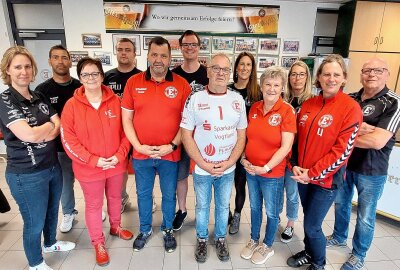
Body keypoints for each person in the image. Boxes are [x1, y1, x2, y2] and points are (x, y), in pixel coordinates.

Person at [0, 46, 75, 270]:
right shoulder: (5, 101)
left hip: (51, 166)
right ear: (8, 70)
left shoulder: (39, 95)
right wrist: (46, 128)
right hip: (26, 174)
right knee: (34, 222)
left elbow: (57, 124)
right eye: (18, 67)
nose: (23, 71)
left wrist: (43, 129)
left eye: (27, 66)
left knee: (53, 211)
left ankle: (50, 243)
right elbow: (28, 135)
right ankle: (35, 262)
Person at [286, 54, 363, 270]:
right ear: (318, 77)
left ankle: (318, 264)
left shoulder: (350, 108)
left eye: (336, 74)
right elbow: (296, 140)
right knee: (308, 220)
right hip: (303, 176)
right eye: (326, 74)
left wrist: (313, 173)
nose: (331, 78)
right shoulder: (308, 104)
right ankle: (310, 253)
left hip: (326, 181)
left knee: (312, 226)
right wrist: (294, 165)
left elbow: (342, 152)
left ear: (344, 78)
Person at [326, 58, 400, 270]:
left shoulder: (393, 102)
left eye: (378, 70)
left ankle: (358, 254)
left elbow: (377, 141)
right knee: (341, 204)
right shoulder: (350, 99)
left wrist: (345, 135)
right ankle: (339, 236)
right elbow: (333, 129)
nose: (371, 74)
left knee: (366, 215)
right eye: (367, 70)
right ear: (360, 75)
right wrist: (361, 129)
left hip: (372, 170)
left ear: (387, 73)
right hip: (345, 166)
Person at [61, 57, 133, 266]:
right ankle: (98, 242)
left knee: (114, 198)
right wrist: (94, 160)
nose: (91, 78)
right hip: (88, 168)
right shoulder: (71, 106)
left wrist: (119, 156)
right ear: (80, 77)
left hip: (115, 164)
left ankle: (116, 227)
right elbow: (68, 140)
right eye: (85, 74)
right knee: (93, 205)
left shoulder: (116, 101)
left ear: (102, 76)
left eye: (95, 74)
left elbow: (126, 132)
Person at [121, 36, 191, 253]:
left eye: (163, 55)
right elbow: (127, 119)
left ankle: (168, 229)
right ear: (148, 56)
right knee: (143, 194)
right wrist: (137, 146)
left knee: (169, 194)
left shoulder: (182, 84)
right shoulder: (133, 82)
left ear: (170, 58)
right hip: (142, 154)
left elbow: (187, 123)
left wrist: (172, 145)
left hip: (169, 153)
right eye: (154, 54)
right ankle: (144, 230)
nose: (158, 59)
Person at [181, 53, 247, 263]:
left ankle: (220, 238)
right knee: (201, 206)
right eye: (216, 68)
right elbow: (185, 134)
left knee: (222, 206)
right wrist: (203, 163)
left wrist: (229, 162)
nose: (220, 73)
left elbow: (242, 136)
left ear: (230, 73)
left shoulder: (237, 100)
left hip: (227, 169)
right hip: (202, 168)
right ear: (207, 71)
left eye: (225, 70)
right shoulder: (194, 98)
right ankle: (201, 238)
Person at [240, 66, 296, 265]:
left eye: (276, 85)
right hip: (251, 170)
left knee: (272, 211)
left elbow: (286, 146)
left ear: (282, 88)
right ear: (261, 86)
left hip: (272, 173)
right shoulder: (254, 108)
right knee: (255, 207)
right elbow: (248, 138)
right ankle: (254, 239)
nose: (272, 89)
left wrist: (266, 168)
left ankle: (268, 245)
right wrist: (244, 158)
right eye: (268, 84)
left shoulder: (287, 111)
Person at [35, 45, 81, 233]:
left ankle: (96, 210)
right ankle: (69, 212)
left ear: (70, 61)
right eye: (56, 57)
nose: (61, 61)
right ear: (50, 61)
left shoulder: (80, 86)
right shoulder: (42, 90)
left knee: (90, 181)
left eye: (64, 57)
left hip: (83, 145)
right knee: (65, 182)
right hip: (59, 147)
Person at [171, 30, 208, 231]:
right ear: (180, 47)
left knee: (209, 173)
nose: (190, 48)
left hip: (205, 133)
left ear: (199, 47)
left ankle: (217, 208)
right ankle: (182, 210)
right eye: (186, 45)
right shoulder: (174, 74)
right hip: (181, 133)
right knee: (181, 174)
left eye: (193, 44)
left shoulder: (208, 73)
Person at [104, 37, 142, 213]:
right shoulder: (107, 77)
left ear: (134, 54)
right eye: (120, 49)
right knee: (119, 169)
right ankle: (122, 198)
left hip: (139, 131)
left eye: (128, 49)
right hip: (116, 132)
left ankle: (146, 199)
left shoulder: (142, 77)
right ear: (116, 52)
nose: (124, 53)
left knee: (143, 169)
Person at [227, 51, 261, 235]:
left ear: (252, 68)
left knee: (240, 184)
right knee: (224, 182)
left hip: (248, 148)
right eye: (241, 64)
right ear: (236, 67)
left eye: (248, 64)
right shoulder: (228, 89)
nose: (244, 68)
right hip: (227, 144)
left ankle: (238, 215)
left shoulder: (258, 92)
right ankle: (226, 213)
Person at [280, 60, 314, 243]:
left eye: (301, 74)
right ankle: (274, 217)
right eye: (293, 74)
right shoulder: (283, 99)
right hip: (281, 155)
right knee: (278, 190)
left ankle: (291, 224)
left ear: (307, 77)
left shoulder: (314, 102)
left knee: (292, 193)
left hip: (300, 159)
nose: (297, 78)